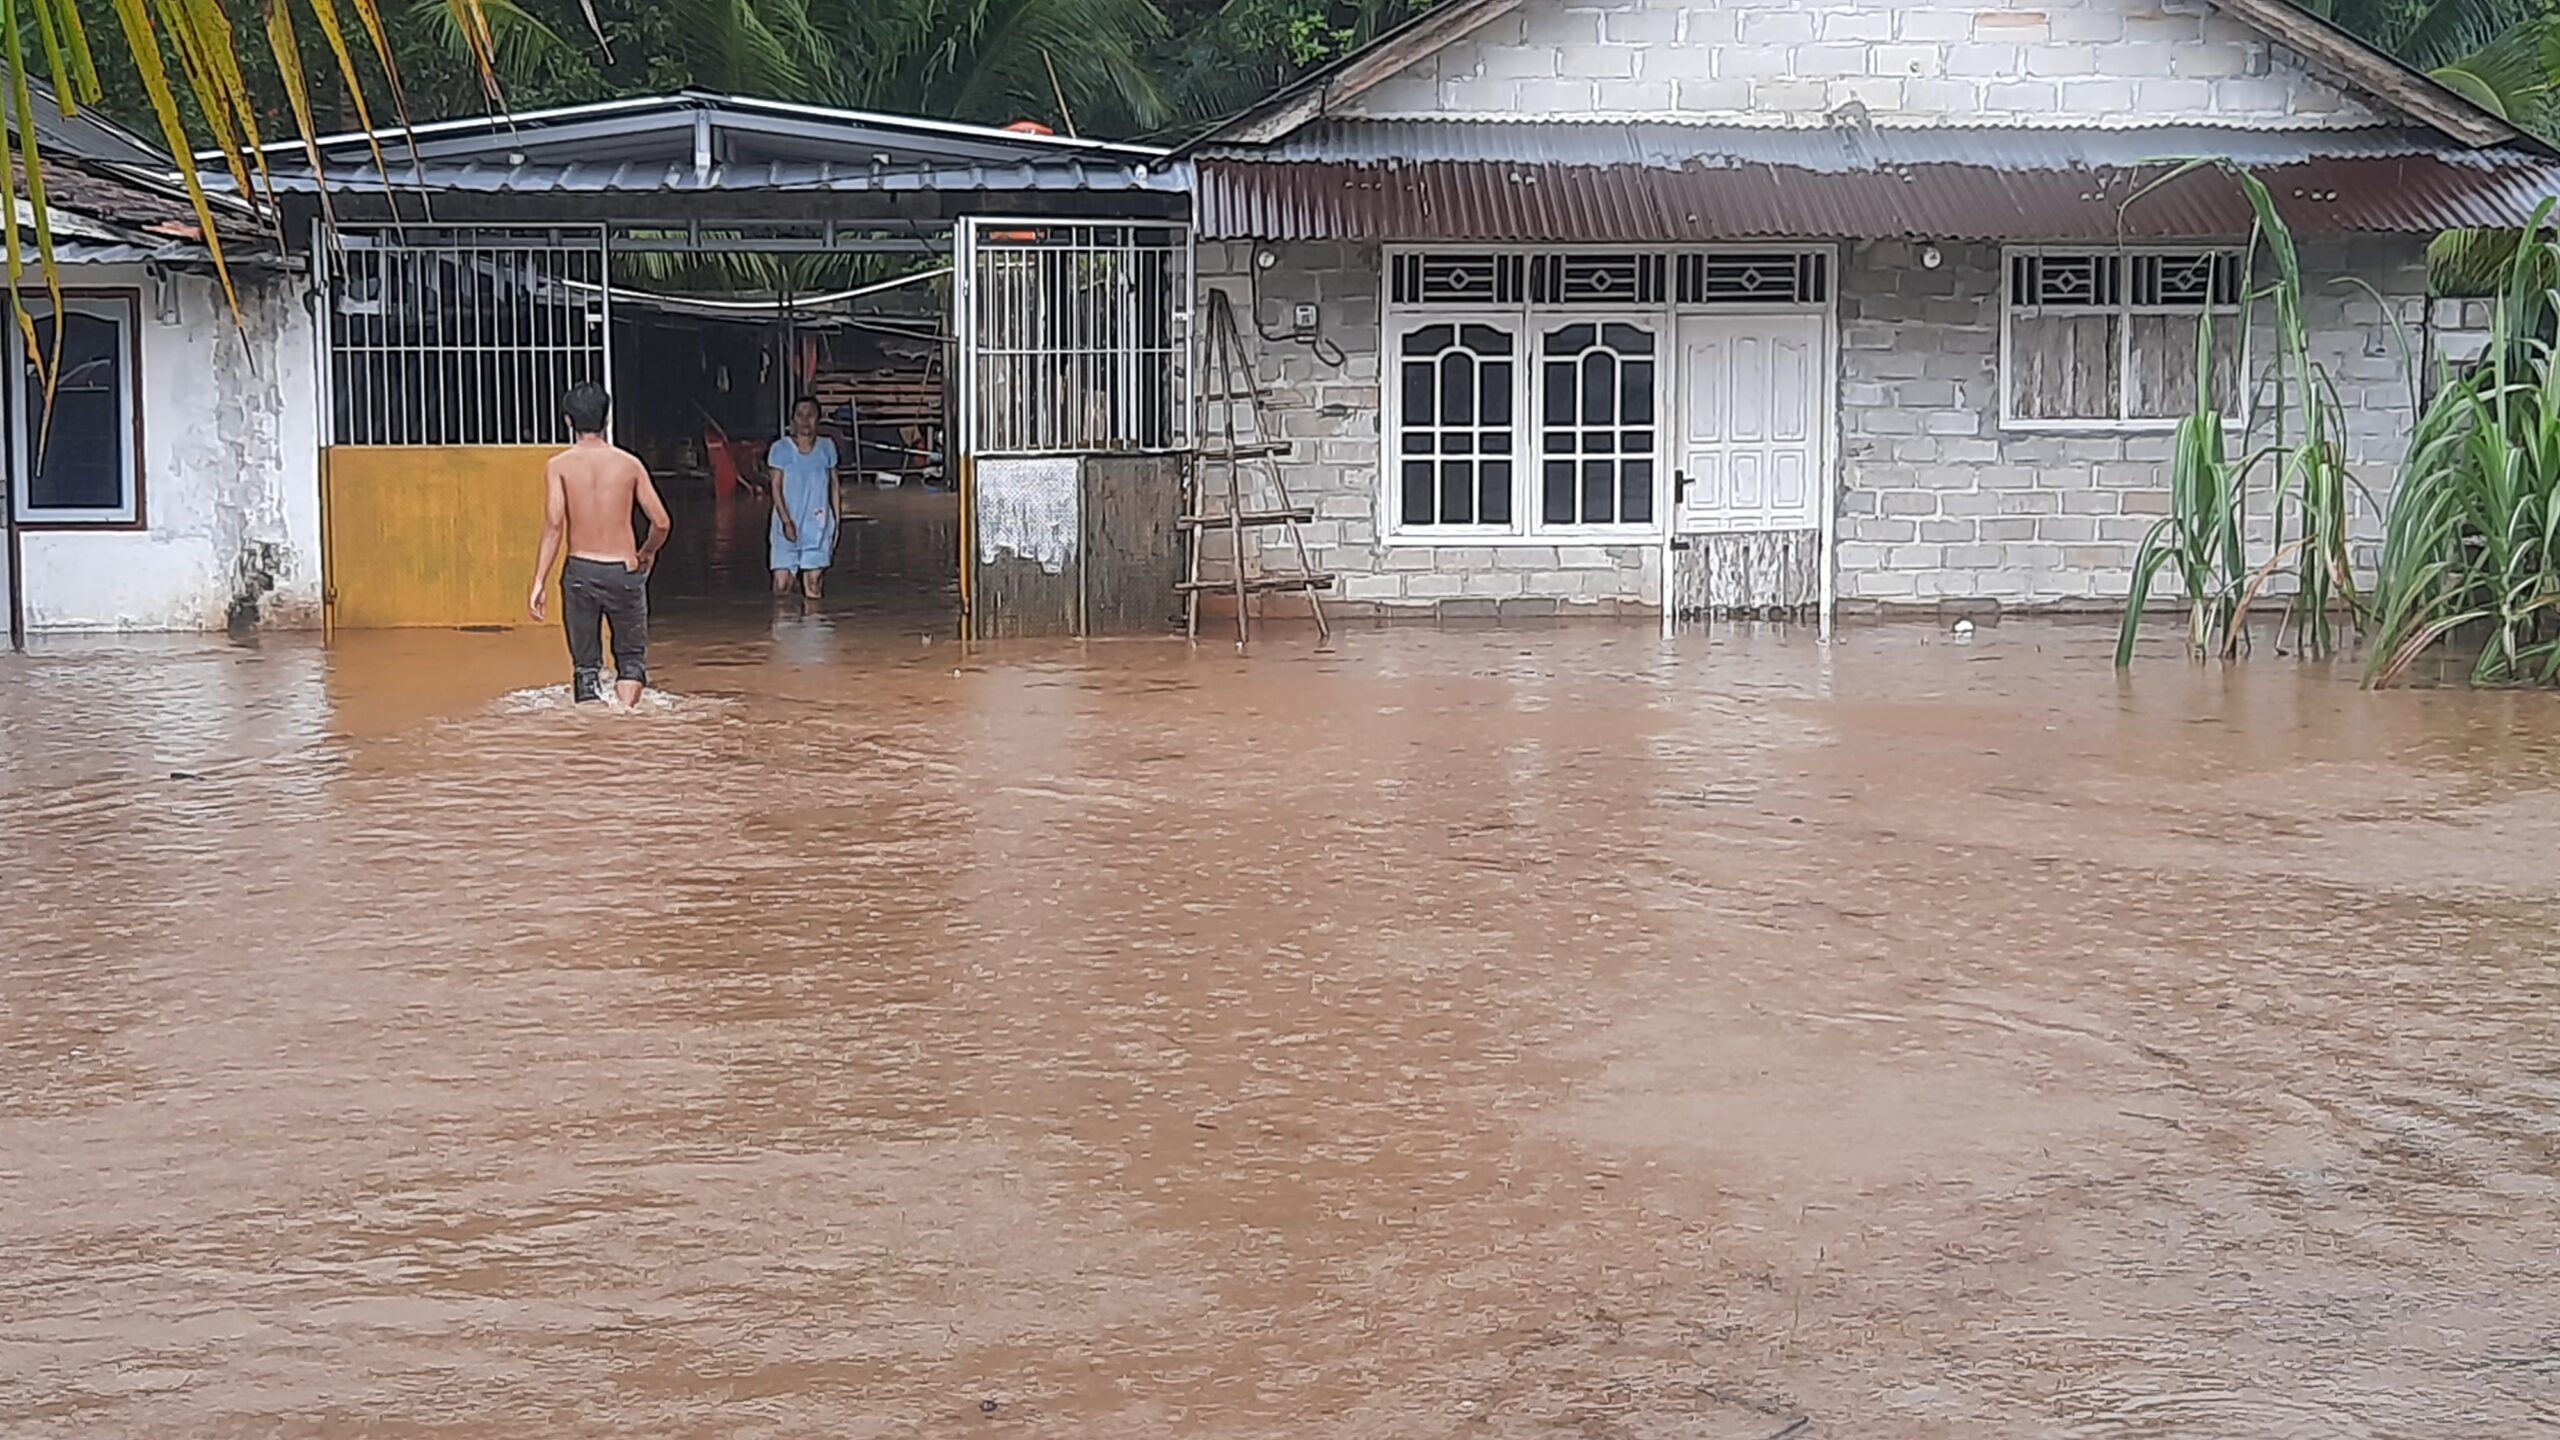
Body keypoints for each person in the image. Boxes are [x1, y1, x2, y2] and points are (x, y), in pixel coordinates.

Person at [528, 383, 671, 706]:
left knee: (586, 667)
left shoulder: (558, 466)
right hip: (624, 571)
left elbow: (554, 525)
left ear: (568, 421)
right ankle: (626, 720)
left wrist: (539, 581)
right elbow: (662, 522)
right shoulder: (629, 464)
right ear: (607, 419)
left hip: (581, 572)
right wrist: (648, 551)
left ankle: (593, 730)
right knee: (631, 662)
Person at [767, 396, 843, 599]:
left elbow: (834, 486)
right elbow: (775, 488)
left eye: (810, 415)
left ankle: (814, 618)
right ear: (793, 419)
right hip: (786, 524)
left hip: (818, 524)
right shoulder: (780, 449)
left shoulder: (827, 447)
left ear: (819, 418)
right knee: (782, 585)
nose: (805, 420)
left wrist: (836, 523)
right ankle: (785, 618)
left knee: (813, 583)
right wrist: (786, 521)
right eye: (800, 415)